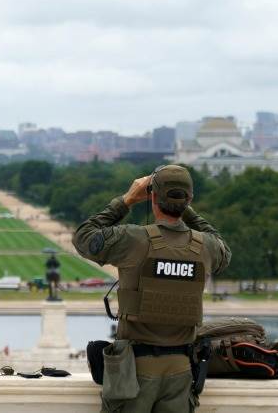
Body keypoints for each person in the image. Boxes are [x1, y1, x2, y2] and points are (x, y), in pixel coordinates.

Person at [73, 165, 231, 413]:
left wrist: (127, 200)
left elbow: (84, 238)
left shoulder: (134, 239)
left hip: (134, 371)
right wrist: (184, 208)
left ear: (153, 197)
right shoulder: (206, 247)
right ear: (189, 198)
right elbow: (223, 248)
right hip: (181, 371)